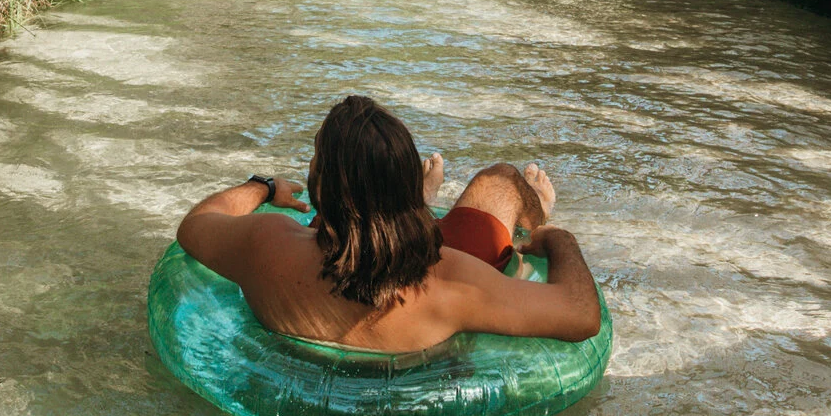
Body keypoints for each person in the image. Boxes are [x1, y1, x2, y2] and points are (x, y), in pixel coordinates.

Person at [173, 93, 602, 352]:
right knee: (501, 179)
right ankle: (536, 210)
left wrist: (263, 186)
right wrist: (556, 238)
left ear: (319, 185)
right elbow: (582, 317)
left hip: (321, 257)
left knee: (336, 227)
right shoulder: (453, 282)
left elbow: (196, 224)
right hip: (427, 280)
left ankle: (426, 196)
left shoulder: (266, 244)